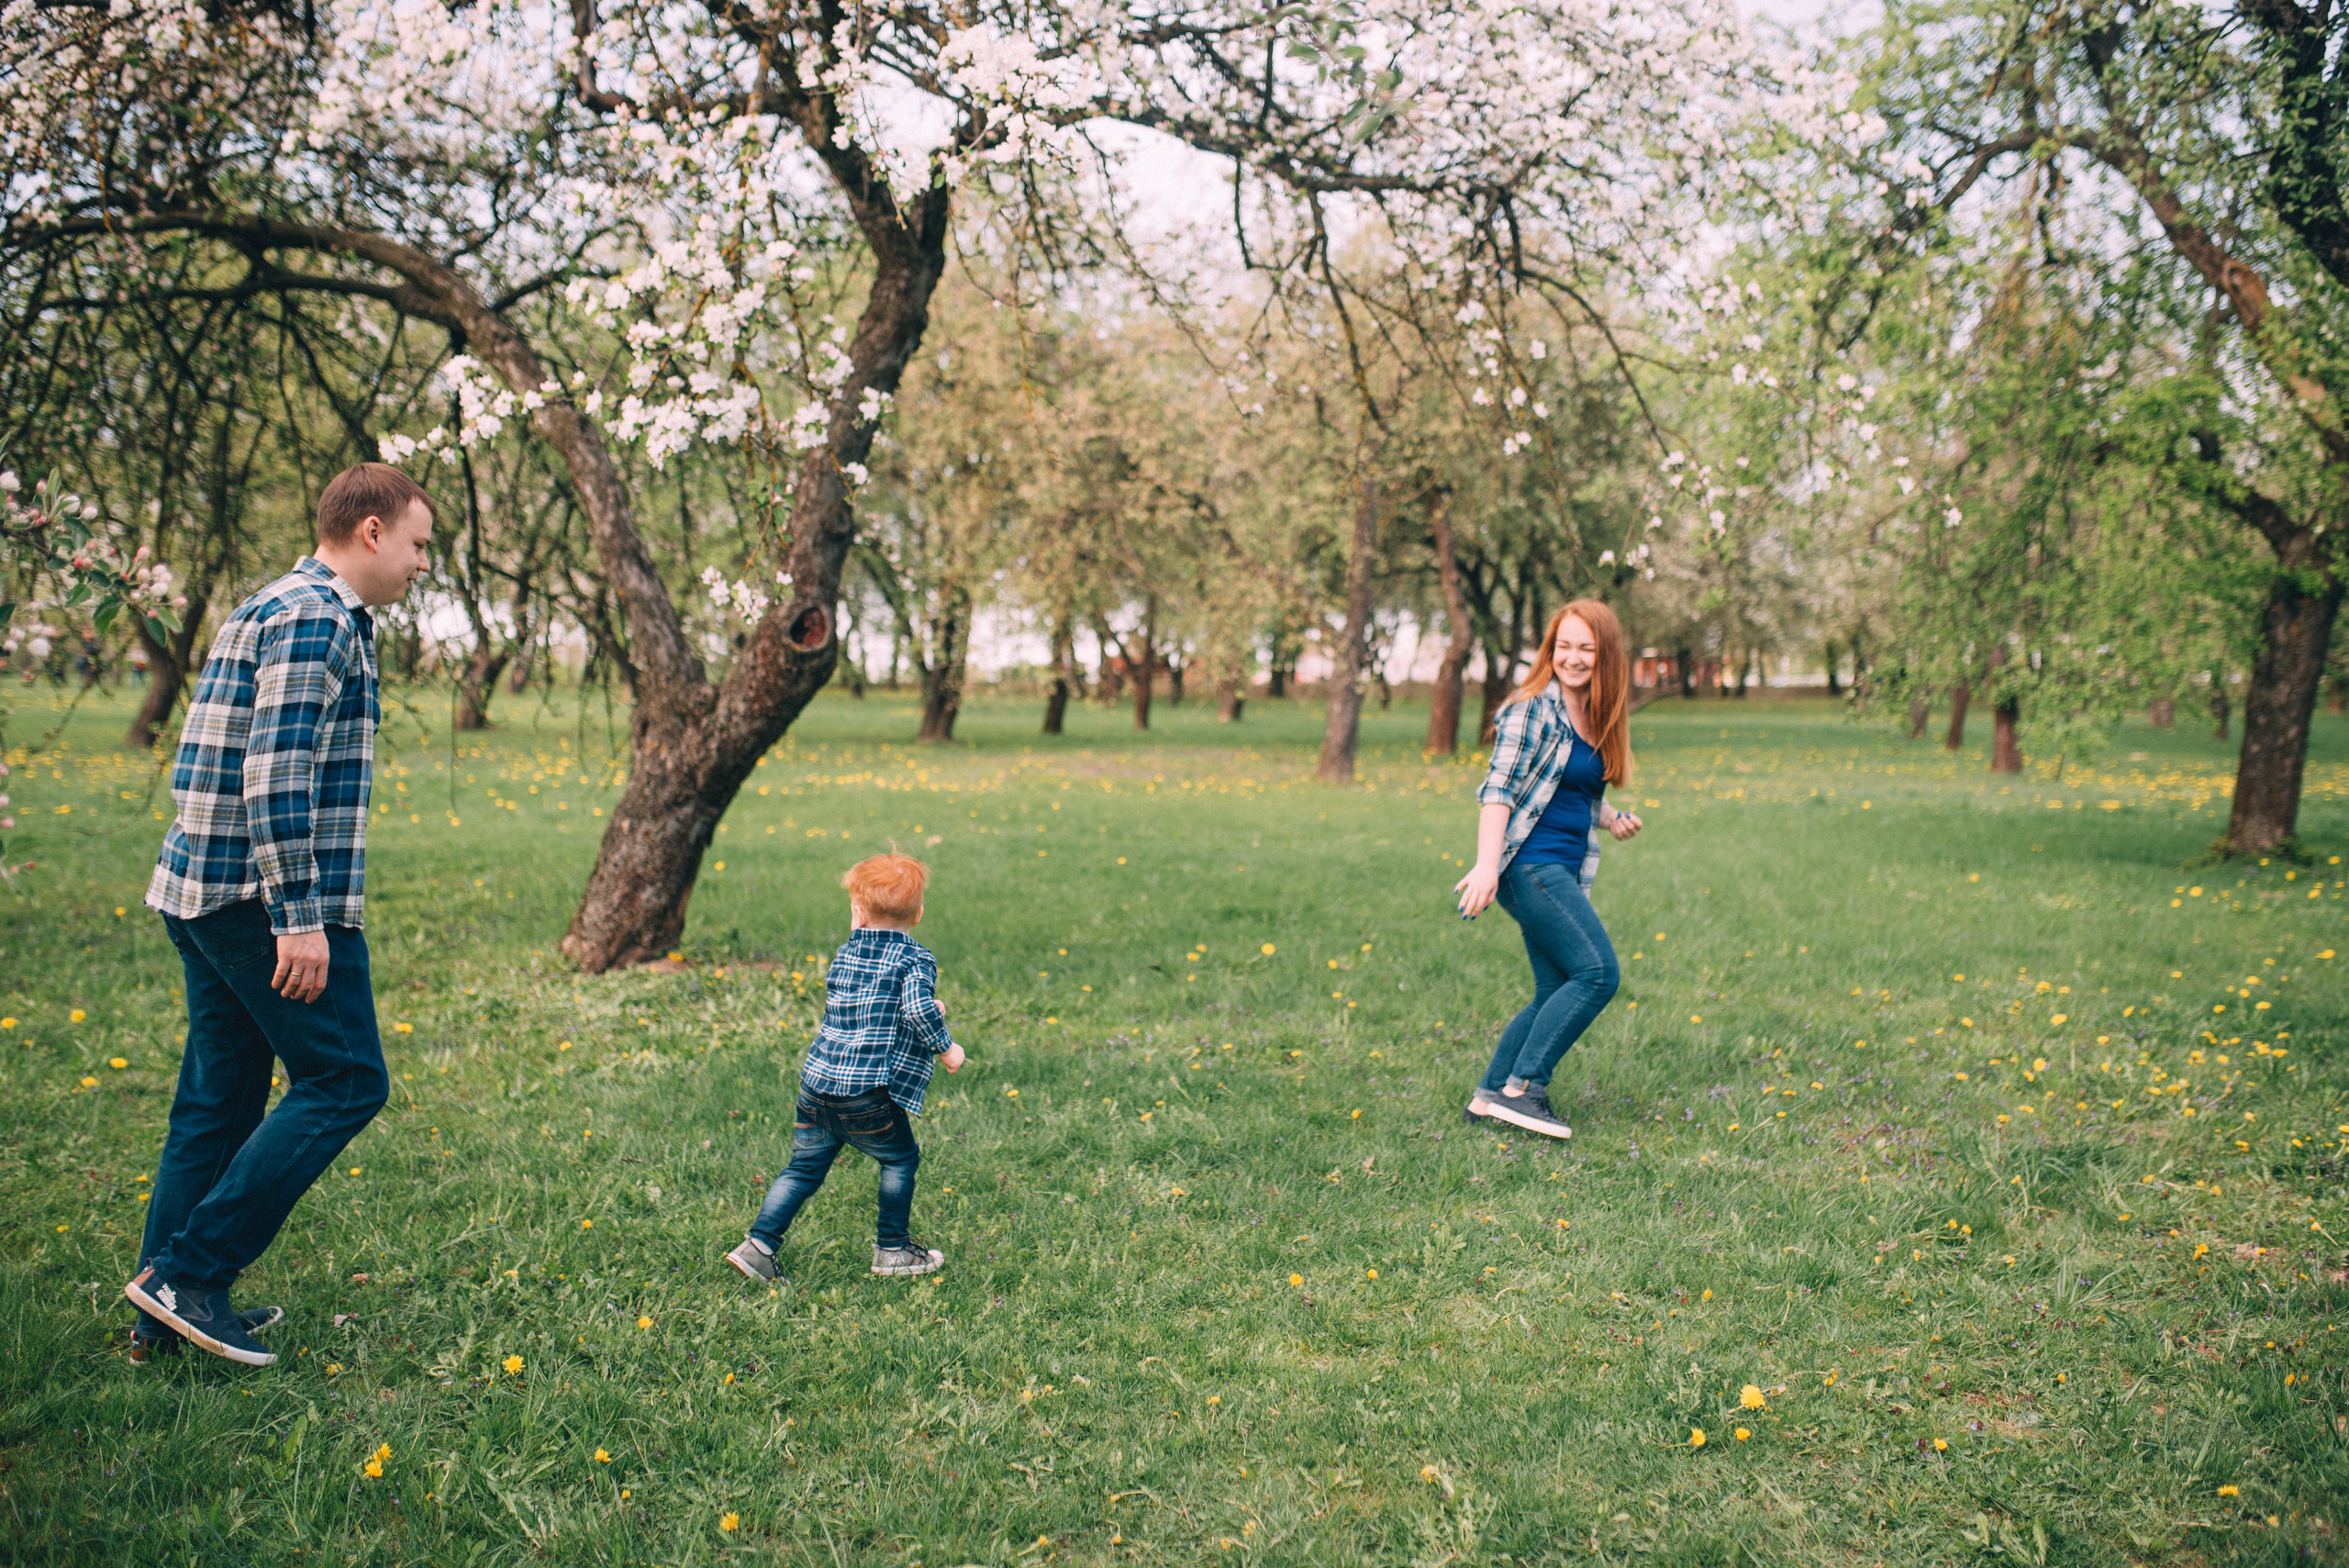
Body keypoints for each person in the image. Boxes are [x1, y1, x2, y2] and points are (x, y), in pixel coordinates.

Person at [124, 463, 436, 1366]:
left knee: (218, 1103)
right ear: (371, 531)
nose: (423, 563)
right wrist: (299, 917)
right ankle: (189, 1274)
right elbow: (274, 773)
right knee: (346, 1080)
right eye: (417, 543)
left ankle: (163, 1316)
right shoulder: (316, 616)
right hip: (261, 901)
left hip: (206, 890)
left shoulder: (280, 602)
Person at [726, 852, 965, 1285]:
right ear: (919, 915)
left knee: (802, 1168)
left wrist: (926, 1009)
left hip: (817, 1085)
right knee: (900, 1159)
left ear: (857, 913)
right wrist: (946, 1048)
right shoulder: (915, 959)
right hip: (867, 1093)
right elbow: (914, 1010)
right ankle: (892, 1249)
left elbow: (872, 1009)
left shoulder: (846, 953)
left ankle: (757, 1247)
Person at [1453, 599, 1644, 1140]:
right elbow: (1499, 789)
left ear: (1606, 655)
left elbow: (1566, 789)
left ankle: (1488, 1098)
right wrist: (1487, 866)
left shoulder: (1596, 715)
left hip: (1559, 865)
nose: (1572, 658)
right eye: (1563, 646)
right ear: (1550, 651)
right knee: (1597, 973)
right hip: (1529, 866)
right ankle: (1523, 1090)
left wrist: (1610, 818)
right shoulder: (1531, 709)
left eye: (1586, 648)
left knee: (1554, 986)